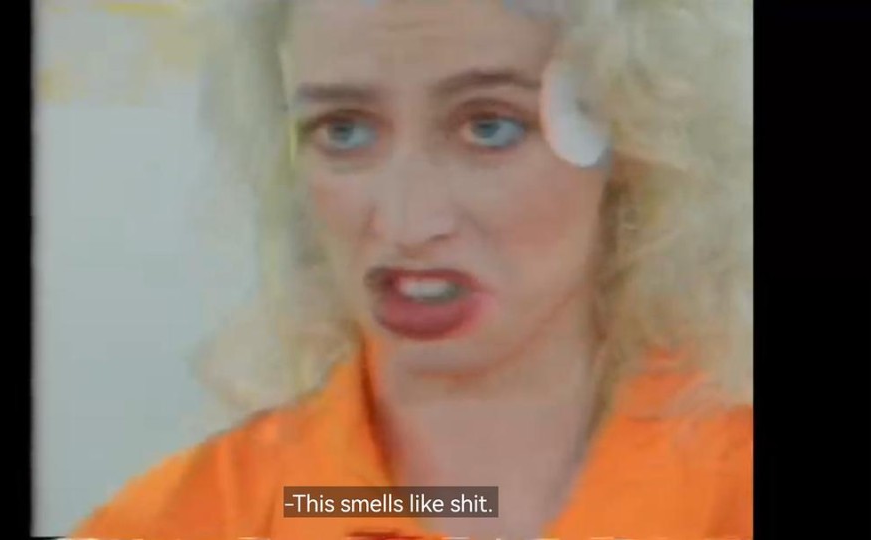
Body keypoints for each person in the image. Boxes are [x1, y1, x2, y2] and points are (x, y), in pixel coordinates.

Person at [71, 0, 753, 539]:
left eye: (488, 126)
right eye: (344, 130)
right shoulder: (188, 522)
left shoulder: (731, 491)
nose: (406, 223)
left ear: (631, 140)